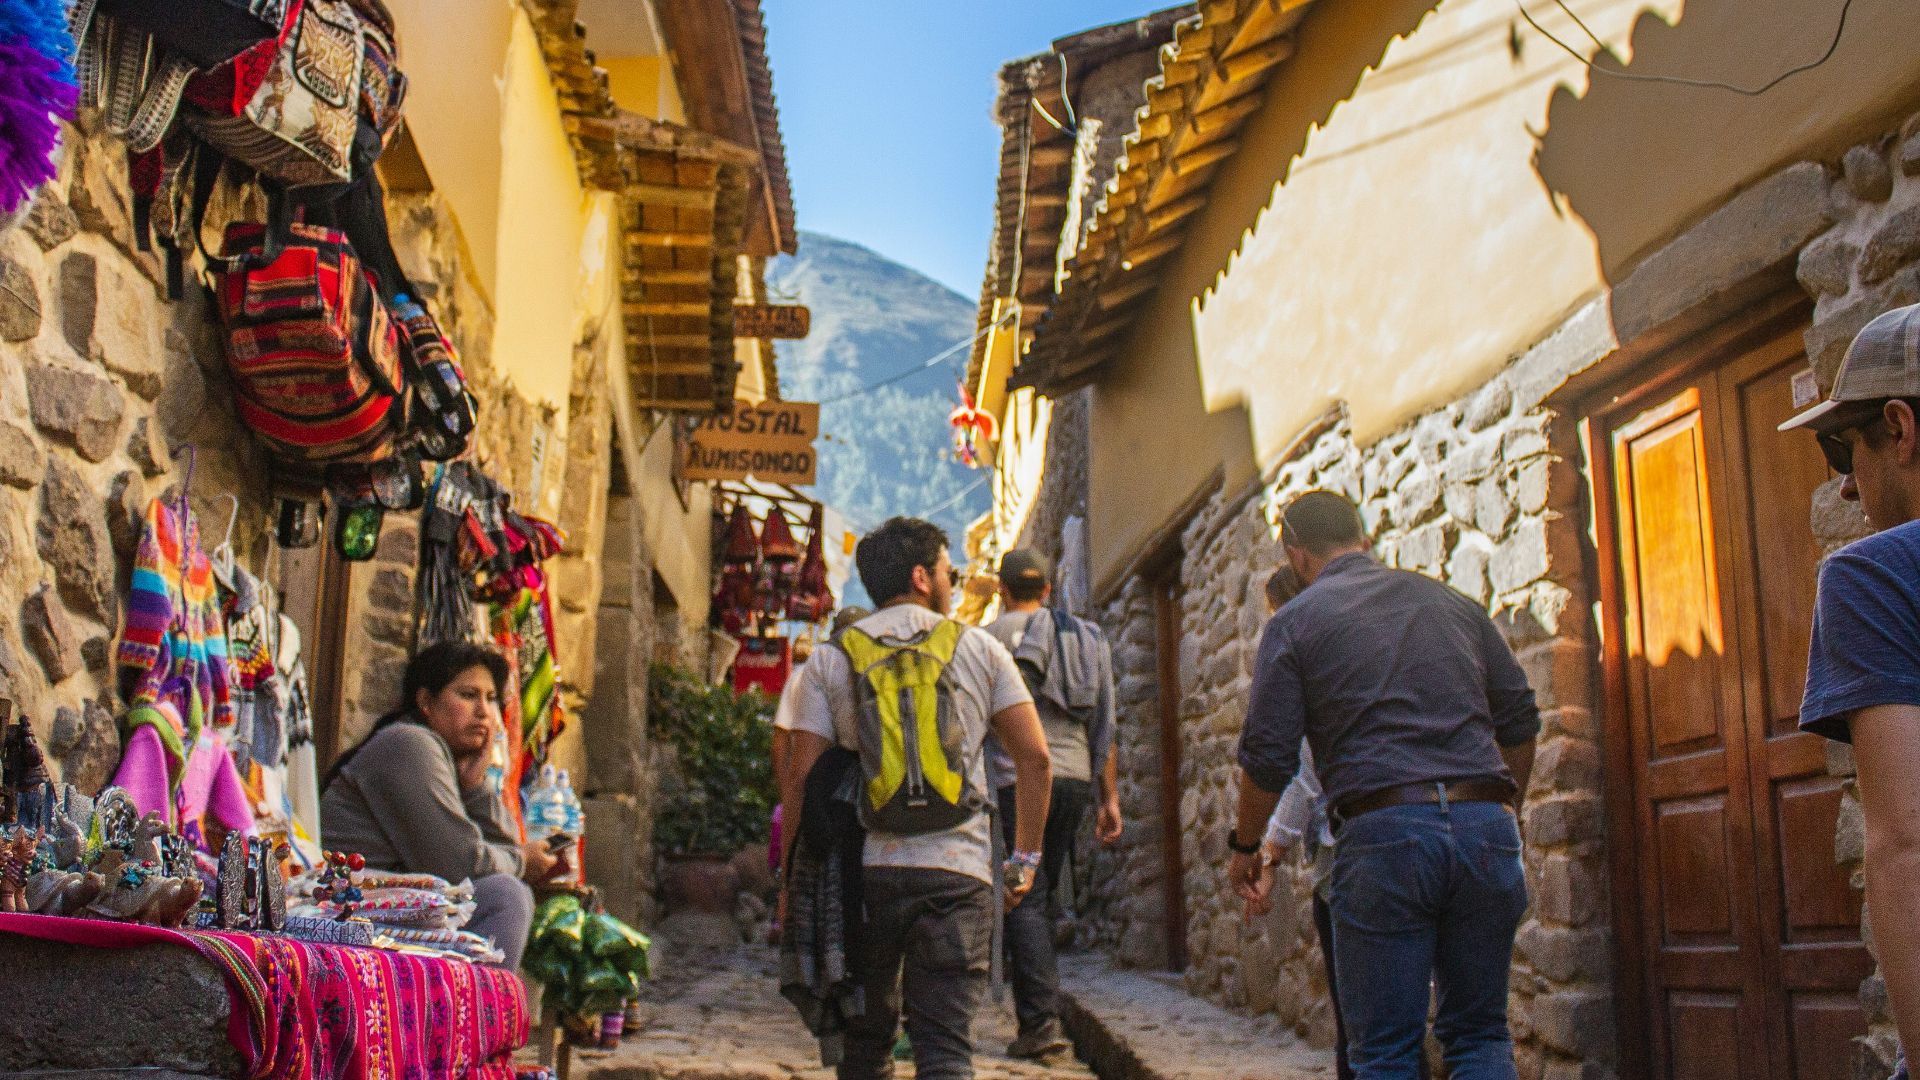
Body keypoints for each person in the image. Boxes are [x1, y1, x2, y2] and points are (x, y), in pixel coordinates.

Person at [1229, 491, 1538, 1079]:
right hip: (1485, 826)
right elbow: (1520, 718)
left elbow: (1269, 759)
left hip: (1384, 833)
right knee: (1479, 1035)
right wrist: (1506, 811)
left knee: (1386, 1053)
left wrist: (1246, 848)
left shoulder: (1294, 622)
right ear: (1363, 537)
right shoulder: (1451, 602)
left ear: (1296, 555)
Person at [777, 517, 1053, 1080]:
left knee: (866, 1043)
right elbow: (1036, 758)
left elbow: (801, 783)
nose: (955, 581)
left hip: (865, 876)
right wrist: (1023, 861)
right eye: (950, 570)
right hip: (959, 870)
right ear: (922, 576)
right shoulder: (978, 648)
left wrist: (790, 888)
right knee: (946, 1049)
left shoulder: (831, 660)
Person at [1780, 302, 1920, 1080]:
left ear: (1900, 429)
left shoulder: (1876, 573)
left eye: (1842, 449)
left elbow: (1906, 841)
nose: (1842, 490)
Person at [1246, 565, 1429, 1080]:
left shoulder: (1308, 646)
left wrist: (1266, 850)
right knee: (1453, 1024)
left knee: (1367, 1024)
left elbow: (1303, 774)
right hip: (1436, 831)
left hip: (1357, 849)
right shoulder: (1386, 639)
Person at [322, 640, 564, 969]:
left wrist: (475, 786)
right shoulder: (409, 743)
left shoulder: (440, 756)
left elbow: (496, 853)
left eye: (491, 699)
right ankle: (477, 1019)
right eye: (468, 695)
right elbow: (463, 865)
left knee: (508, 890)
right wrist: (521, 860)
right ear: (425, 701)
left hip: (391, 908)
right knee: (506, 897)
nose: (484, 712)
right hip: (348, 909)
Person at [982, 548, 1122, 1060]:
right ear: (1047, 589)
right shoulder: (1088, 637)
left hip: (1015, 780)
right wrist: (1109, 797)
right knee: (1040, 891)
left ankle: (1040, 1022)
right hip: (1074, 780)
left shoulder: (988, 639)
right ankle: (1038, 1014)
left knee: (1024, 893)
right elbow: (1103, 723)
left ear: (1001, 589)